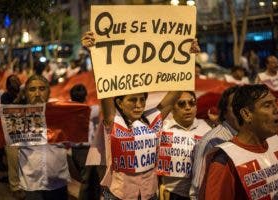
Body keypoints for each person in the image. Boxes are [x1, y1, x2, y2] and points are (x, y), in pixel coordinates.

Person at [82, 31, 200, 200]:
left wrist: (189, 57)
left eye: (142, 100)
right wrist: (94, 51)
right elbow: (104, 85)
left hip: (149, 193)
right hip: (118, 195)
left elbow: (177, 89)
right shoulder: (113, 121)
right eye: (132, 100)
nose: (138, 104)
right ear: (119, 103)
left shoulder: (152, 120)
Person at [203, 84, 278, 200]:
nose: (277, 109)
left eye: (275, 103)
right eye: (267, 105)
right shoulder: (225, 161)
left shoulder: (276, 142)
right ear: (246, 114)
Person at [18, 75, 70, 200]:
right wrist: (14, 183)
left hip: (58, 182)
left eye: (42, 88)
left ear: (49, 92)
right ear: (26, 93)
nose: (37, 93)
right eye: (32, 89)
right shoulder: (17, 117)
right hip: (31, 184)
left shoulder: (62, 114)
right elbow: (10, 150)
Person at [190, 85, 240, 200]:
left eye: (244, 105)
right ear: (224, 112)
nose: (241, 110)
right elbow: (197, 190)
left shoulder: (257, 136)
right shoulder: (210, 142)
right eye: (235, 105)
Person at [159, 91, 211, 200]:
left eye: (192, 103)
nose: (187, 107)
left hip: (199, 194)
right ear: (172, 108)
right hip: (170, 194)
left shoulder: (207, 129)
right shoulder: (162, 128)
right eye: (181, 104)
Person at [69, 84, 102, 200]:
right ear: (86, 97)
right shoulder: (91, 110)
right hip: (86, 150)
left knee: (90, 179)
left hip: (76, 150)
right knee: (89, 180)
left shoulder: (69, 112)